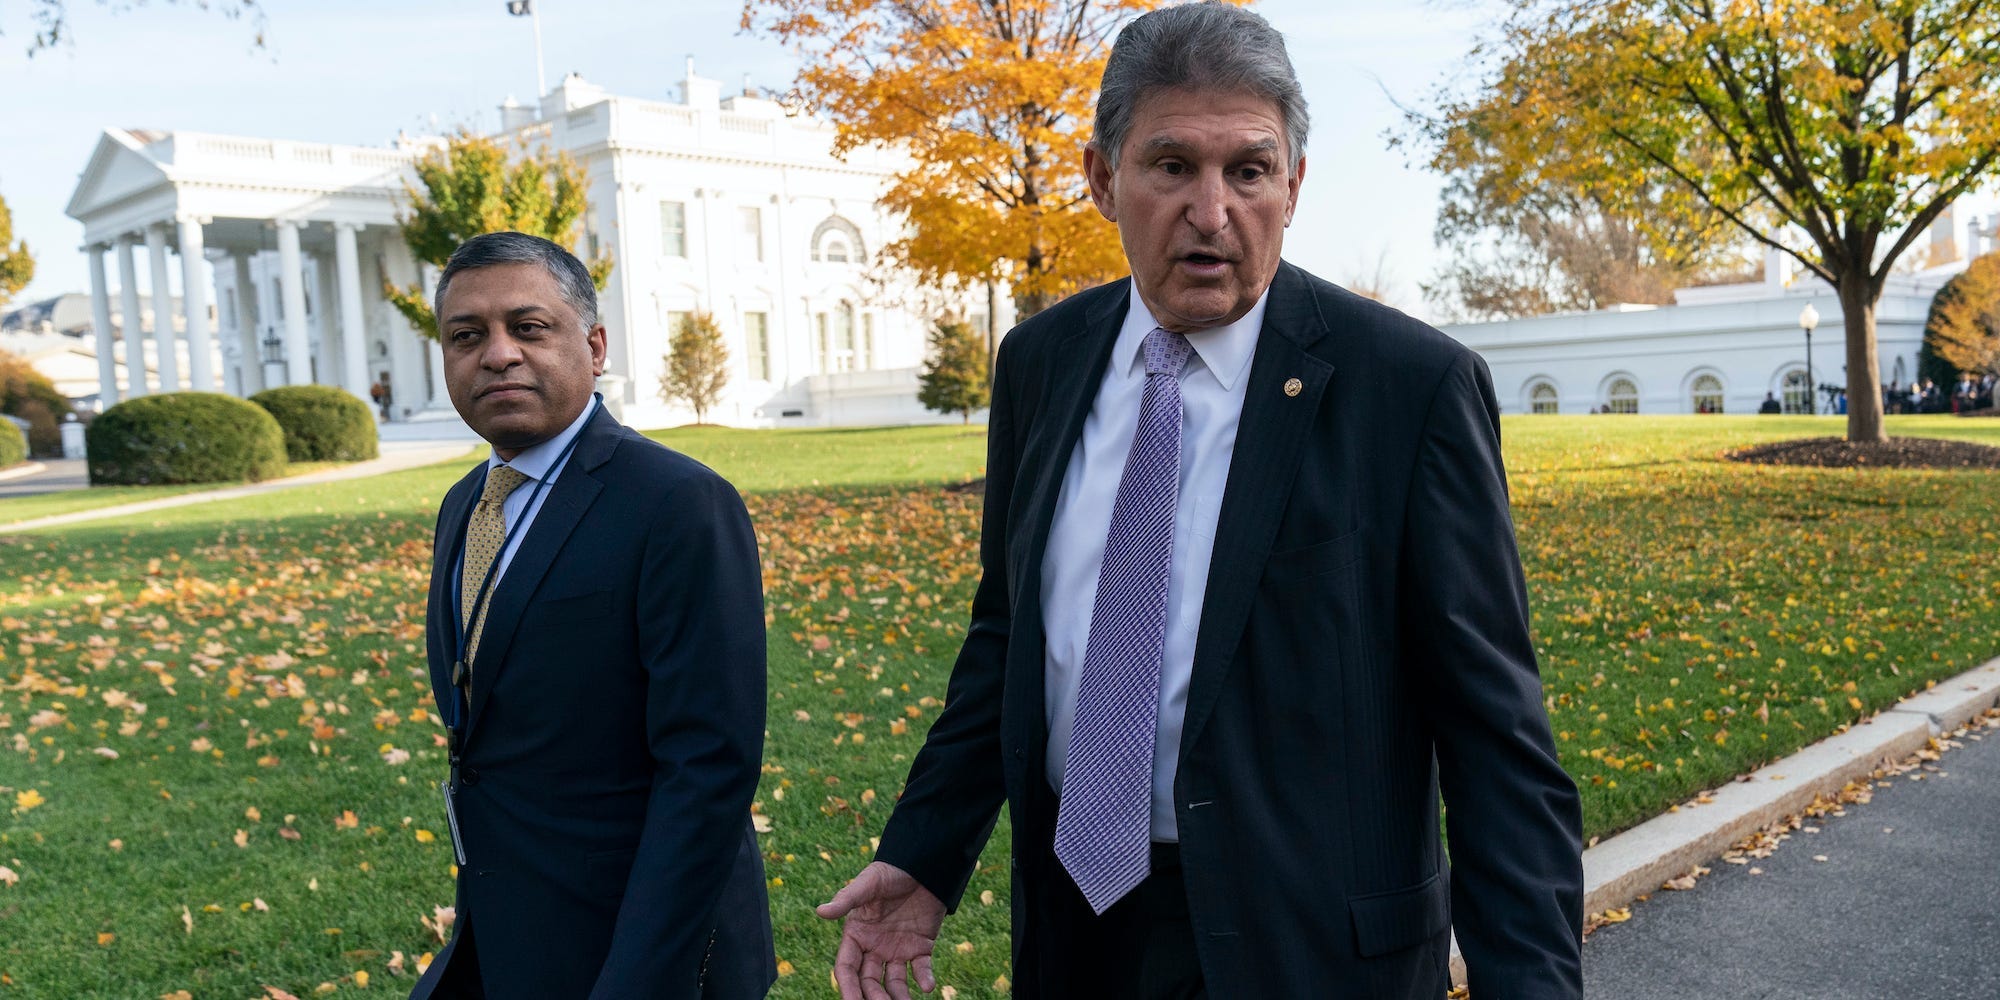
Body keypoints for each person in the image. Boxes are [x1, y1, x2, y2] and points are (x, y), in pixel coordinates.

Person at [817, 5, 1584, 998]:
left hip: (1306, 945)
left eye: (1248, 171)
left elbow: (1495, 739)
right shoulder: (1041, 364)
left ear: (1293, 185)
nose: (1211, 211)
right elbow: (1011, 633)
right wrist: (924, 851)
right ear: (1100, 178)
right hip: (1076, 925)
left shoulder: (1409, 388)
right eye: (1171, 166)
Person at [409, 232, 774, 1000]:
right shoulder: (464, 507)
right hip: (507, 928)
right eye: (466, 336)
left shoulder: (677, 503)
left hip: (642, 947)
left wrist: (638, 979)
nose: (498, 354)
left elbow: (707, 769)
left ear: (595, 345)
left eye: (529, 327)